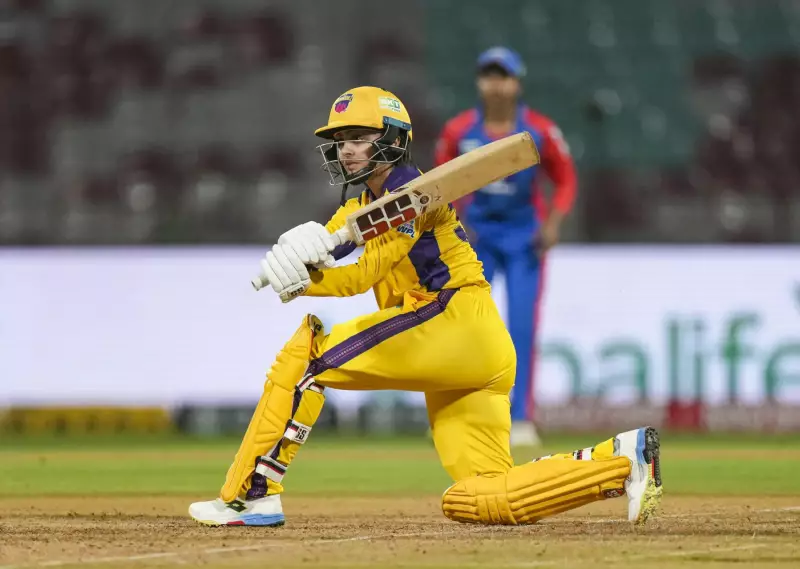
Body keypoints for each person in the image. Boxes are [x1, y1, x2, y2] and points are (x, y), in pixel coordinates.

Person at [188, 86, 661, 527]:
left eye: (358, 138)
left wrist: (306, 281)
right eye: (341, 141)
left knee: (309, 358)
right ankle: (621, 460)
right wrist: (301, 269)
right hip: (474, 349)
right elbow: (341, 250)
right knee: (479, 496)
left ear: (393, 140)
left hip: (451, 316)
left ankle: (251, 494)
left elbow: (367, 272)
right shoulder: (361, 206)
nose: (346, 150)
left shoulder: (412, 193)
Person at [435, 47, 577, 447]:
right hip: (477, 238)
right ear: (479, 83)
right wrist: (455, 221)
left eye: (504, 76)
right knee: (464, 325)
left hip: (524, 240)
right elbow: (439, 183)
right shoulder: (459, 131)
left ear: (517, 84)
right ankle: (459, 414)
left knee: (521, 327)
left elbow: (565, 179)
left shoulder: (540, 131)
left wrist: (553, 223)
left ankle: (522, 419)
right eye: (489, 76)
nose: (496, 85)